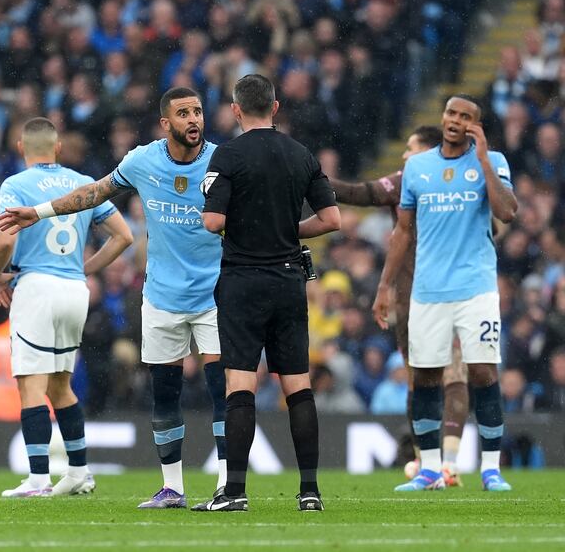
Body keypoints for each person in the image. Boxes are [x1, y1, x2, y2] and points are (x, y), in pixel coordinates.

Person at [0, 87, 228, 509]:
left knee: (221, 389)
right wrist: (42, 212)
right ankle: (171, 488)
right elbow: (97, 194)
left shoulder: (223, 159)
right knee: (162, 393)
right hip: (159, 296)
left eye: (197, 111)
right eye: (183, 113)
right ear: (165, 122)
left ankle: (228, 486)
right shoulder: (142, 160)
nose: (193, 119)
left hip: (214, 293)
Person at [193, 74, 340, 513]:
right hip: (288, 279)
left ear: (236, 110)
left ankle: (234, 491)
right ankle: (310, 491)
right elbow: (331, 218)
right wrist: (286, 230)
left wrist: (249, 224)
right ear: (275, 108)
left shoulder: (228, 155)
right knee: (298, 385)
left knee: (240, 384)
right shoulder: (300, 154)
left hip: (242, 281)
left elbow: (212, 223)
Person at [372, 94, 517, 492]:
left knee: (484, 372)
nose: (456, 120)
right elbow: (402, 231)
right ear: (443, 118)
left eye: (465, 116)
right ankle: (430, 470)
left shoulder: (495, 162)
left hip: (477, 288)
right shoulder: (418, 167)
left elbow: (506, 211)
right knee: (425, 378)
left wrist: (484, 159)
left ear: (475, 125)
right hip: (427, 292)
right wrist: (384, 286)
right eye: (451, 113)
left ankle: (491, 470)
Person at [0, 117, 132, 498]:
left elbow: (5, 238)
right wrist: (84, 269)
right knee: (60, 385)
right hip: (74, 290)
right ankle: (80, 472)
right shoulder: (81, 184)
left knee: (31, 384)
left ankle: (37, 480)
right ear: (57, 148)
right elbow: (124, 236)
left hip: (36, 287)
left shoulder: (16, 184)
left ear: (21, 147)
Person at [330, 125, 470, 487]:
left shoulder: (435, 178)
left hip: (442, 293)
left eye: (411, 148)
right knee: (424, 380)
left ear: (428, 152)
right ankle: (431, 462)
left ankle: (442, 463)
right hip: (413, 299)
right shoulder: (424, 180)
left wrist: (316, 182)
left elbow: (365, 193)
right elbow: (367, 194)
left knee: (443, 378)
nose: (405, 155)